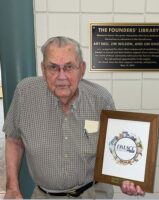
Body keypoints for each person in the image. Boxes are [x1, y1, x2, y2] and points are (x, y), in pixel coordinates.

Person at [3, 36, 145, 199]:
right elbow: (13, 140)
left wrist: (126, 177)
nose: (61, 76)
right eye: (53, 68)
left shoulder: (101, 99)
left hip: (93, 193)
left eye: (69, 67)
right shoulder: (25, 94)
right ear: (43, 69)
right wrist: (12, 186)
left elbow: (115, 147)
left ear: (82, 69)